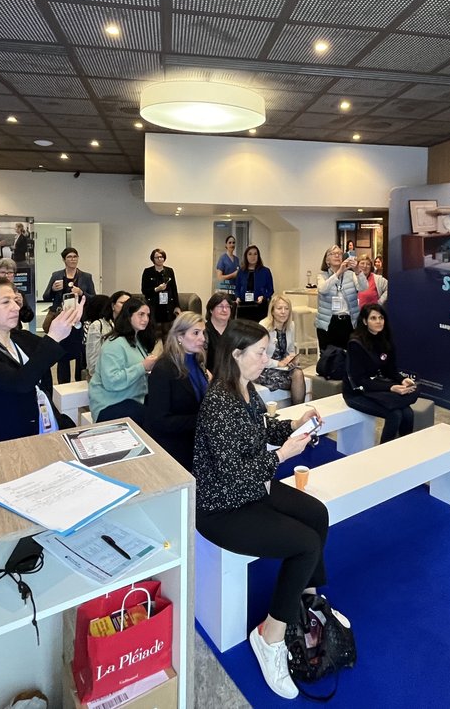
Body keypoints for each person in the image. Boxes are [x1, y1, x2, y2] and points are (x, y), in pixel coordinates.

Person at [193, 319, 328, 700]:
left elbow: (262, 429)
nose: (267, 359)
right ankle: (270, 637)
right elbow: (234, 478)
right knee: (305, 544)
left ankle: (307, 602)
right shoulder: (219, 402)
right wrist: (283, 456)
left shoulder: (245, 389)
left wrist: (294, 426)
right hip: (222, 507)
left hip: (251, 490)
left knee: (317, 515)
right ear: (236, 355)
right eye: (260, 353)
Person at [0, 276, 84, 446]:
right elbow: (20, 383)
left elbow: (65, 352)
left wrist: (73, 323)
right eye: (5, 302)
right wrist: (53, 336)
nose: (16, 307)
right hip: (6, 442)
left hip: (41, 426)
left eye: (15, 301)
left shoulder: (21, 338)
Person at [343, 304, 418, 443]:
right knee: (394, 415)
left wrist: (402, 380)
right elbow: (359, 380)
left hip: (374, 388)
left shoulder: (384, 339)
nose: (378, 321)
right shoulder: (356, 343)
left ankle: (405, 451)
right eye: (373, 318)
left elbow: (389, 370)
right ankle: (382, 456)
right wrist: (390, 387)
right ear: (365, 321)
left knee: (407, 413)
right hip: (356, 393)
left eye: (381, 317)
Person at [142, 311, 207, 470]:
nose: (203, 338)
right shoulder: (164, 369)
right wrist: (201, 420)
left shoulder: (197, 361)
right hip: (172, 447)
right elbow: (159, 420)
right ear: (179, 336)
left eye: (203, 333)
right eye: (196, 333)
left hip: (192, 441)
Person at [88, 297, 157, 422]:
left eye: (147, 315)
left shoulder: (138, 341)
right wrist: (143, 367)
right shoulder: (114, 344)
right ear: (128, 316)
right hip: (109, 404)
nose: (146, 319)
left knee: (162, 409)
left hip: (133, 399)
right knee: (152, 419)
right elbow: (111, 382)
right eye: (141, 314)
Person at [42, 247, 96, 383]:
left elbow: (93, 298)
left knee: (79, 353)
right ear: (64, 259)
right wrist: (53, 289)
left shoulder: (86, 276)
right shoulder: (56, 275)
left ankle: (79, 384)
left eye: (75, 256)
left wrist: (82, 292)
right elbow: (46, 296)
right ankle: (63, 385)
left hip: (78, 319)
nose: (73, 259)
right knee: (63, 355)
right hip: (62, 319)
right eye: (69, 257)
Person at [256, 294, 305, 405]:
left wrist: (292, 358)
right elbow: (260, 357)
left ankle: (298, 409)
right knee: (297, 378)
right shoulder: (263, 326)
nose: (283, 312)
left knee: (298, 373)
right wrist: (279, 363)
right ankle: (297, 409)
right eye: (279, 308)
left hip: (283, 367)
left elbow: (291, 349)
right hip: (266, 367)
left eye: (286, 309)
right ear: (272, 311)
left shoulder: (291, 325)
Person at [314, 244, 364, 352]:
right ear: (327, 260)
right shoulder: (321, 275)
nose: (337, 256)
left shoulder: (350, 275)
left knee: (348, 356)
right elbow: (323, 289)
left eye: (340, 253)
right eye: (333, 254)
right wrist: (339, 272)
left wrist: (358, 270)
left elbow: (364, 287)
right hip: (328, 322)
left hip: (348, 322)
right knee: (329, 358)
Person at [85, 290, 130, 377]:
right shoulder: (98, 326)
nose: (126, 306)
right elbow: (92, 360)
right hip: (105, 376)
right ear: (113, 305)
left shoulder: (133, 326)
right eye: (122, 303)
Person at [234, 244, 274, 323]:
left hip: (259, 306)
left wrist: (264, 297)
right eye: (250, 254)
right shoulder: (241, 272)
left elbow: (271, 290)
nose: (253, 256)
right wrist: (237, 297)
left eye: (255, 254)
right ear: (246, 256)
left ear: (258, 256)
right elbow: (237, 289)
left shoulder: (265, 271)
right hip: (244, 306)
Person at [141, 248, 180, 328]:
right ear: (153, 259)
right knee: (153, 331)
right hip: (154, 306)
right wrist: (157, 289)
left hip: (167, 306)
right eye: (157, 257)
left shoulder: (169, 271)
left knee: (166, 331)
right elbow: (144, 290)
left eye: (161, 257)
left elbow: (174, 289)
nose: (159, 259)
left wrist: (177, 306)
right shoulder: (147, 272)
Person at [0, 258, 34, 326]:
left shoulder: (18, 293)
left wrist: (21, 307)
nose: (6, 276)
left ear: (14, 275)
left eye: (10, 272)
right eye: (2, 272)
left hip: (14, 331)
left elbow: (27, 319)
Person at [204, 292, 233, 373]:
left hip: (234, 376)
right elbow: (200, 362)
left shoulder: (236, 330)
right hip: (211, 377)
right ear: (211, 310)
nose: (224, 310)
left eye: (228, 306)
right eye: (220, 306)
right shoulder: (203, 332)